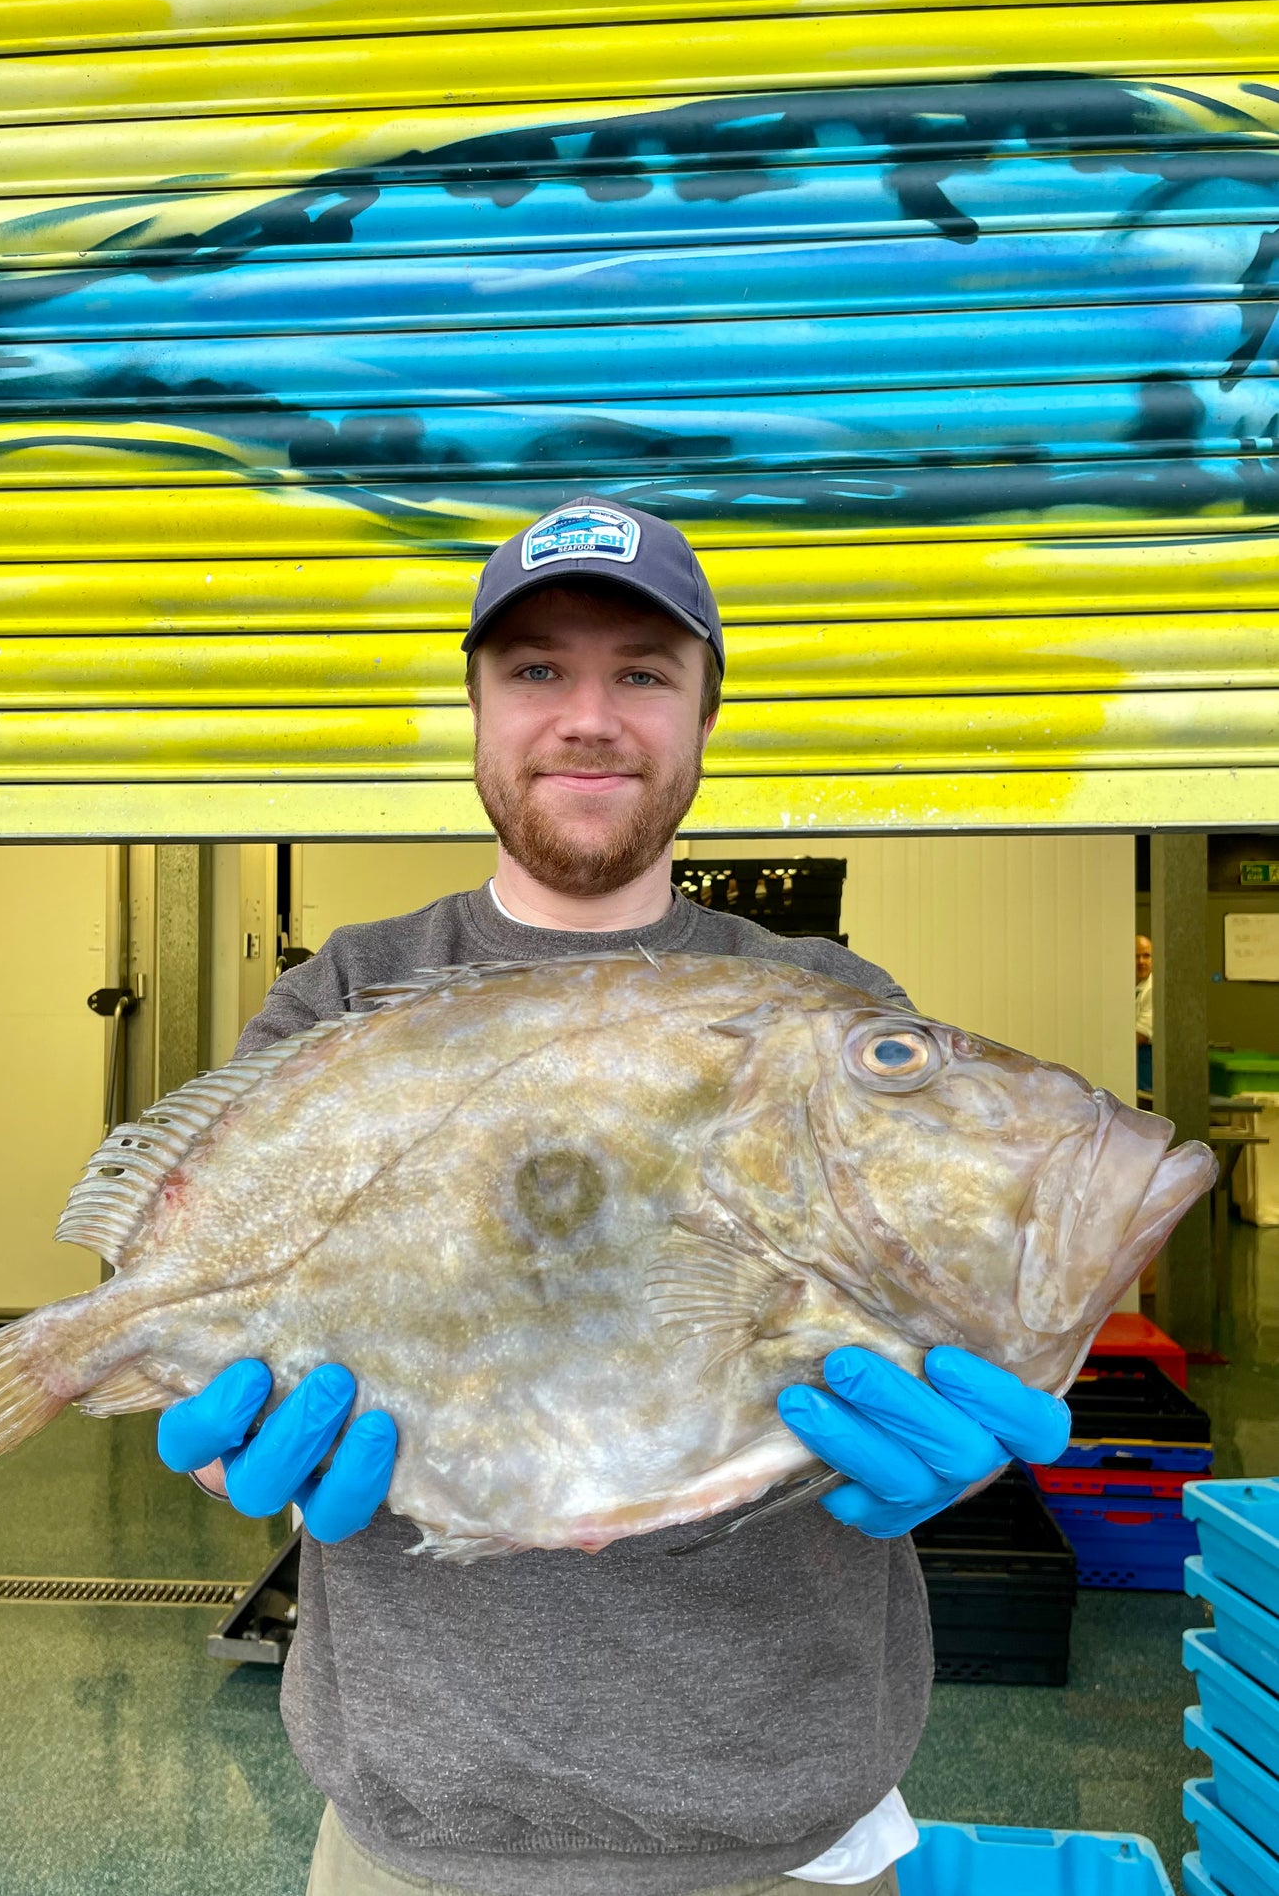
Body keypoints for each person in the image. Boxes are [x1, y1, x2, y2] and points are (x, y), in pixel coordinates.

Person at [156, 500, 1070, 1896]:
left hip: (787, 1820)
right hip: (423, 1824)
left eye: (641, 672)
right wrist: (231, 1448)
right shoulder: (341, 992)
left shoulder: (824, 1005)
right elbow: (219, 1289)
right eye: (537, 670)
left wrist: (964, 1437)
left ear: (703, 717)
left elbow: (891, 1289)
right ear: (474, 708)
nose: (589, 716)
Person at [1136, 933, 1154, 1095]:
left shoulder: (1153, 989)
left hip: (1146, 1062)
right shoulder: (1134, 986)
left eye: (1146, 956)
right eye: (1136, 956)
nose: (1141, 962)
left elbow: (1142, 1034)